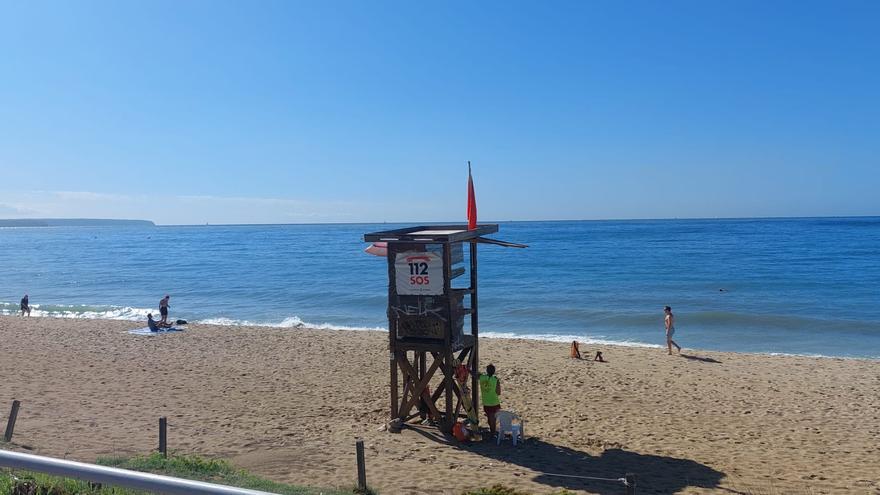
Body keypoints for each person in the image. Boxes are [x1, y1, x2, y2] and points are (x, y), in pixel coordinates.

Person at [479, 364, 502, 438]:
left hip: (486, 403)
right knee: (492, 419)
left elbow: (476, 375)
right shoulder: (495, 380)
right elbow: (498, 393)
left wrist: (468, 370)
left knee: (490, 419)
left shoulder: (482, 377)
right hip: (494, 402)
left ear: (487, 370)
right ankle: (493, 432)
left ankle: (493, 433)